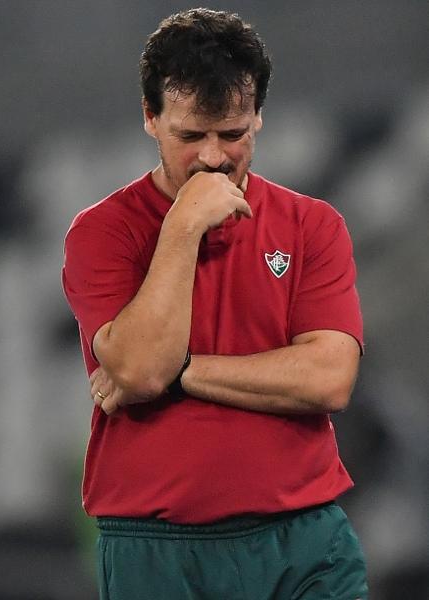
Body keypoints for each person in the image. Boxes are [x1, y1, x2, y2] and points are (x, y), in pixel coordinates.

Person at [62, 8, 368, 599]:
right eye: (189, 136)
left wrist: (183, 371)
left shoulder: (312, 225)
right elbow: (139, 368)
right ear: (151, 118)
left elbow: (330, 378)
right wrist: (182, 226)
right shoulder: (102, 233)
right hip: (158, 547)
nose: (211, 157)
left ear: (258, 118)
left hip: (302, 539)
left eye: (231, 134)